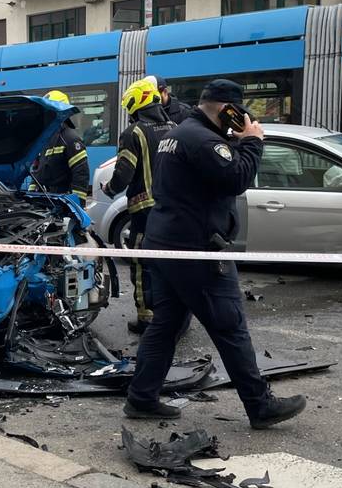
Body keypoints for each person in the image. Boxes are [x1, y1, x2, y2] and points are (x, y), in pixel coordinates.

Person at [123, 78, 306, 429]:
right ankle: (260, 405)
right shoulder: (203, 139)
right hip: (196, 252)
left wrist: (233, 140)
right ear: (228, 109)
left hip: (165, 247)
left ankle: (141, 398)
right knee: (230, 326)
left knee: (165, 325)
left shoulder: (181, 133)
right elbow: (236, 178)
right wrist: (252, 142)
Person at [102, 79, 176, 335]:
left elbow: (123, 174)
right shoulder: (174, 127)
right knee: (171, 263)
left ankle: (147, 319)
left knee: (141, 263)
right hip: (175, 211)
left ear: (136, 105)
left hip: (145, 212)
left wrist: (109, 189)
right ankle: (174, 316)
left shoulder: (134, 132)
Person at [31, 90, 89, 203]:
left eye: (49, 112)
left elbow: (81, 173)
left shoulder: (70, 139)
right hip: (48, 199)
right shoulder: (45, 139)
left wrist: (77, 203)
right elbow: (37, 171)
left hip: (63, 199)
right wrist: (31, 196)